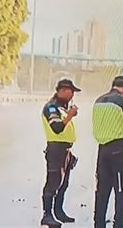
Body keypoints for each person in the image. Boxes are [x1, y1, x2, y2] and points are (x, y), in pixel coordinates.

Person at [92, 76, 123, 228]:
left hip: (102, 150)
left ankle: (98, 223)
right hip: (119, 150)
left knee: (102, 189)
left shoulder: (98, 100)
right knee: (122, 190)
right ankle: (119, 224)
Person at [40, 79, 81, 226]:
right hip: (56, 150)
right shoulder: (51, 108)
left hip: (65, 150)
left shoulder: (62, 108)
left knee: (63, 184)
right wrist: (69, 115)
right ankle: (47, 215)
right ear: (63, 91)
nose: (72, 96)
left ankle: (58, 211)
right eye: (71, 92)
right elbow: (57, 127)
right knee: (53, 183)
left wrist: (69, 114)